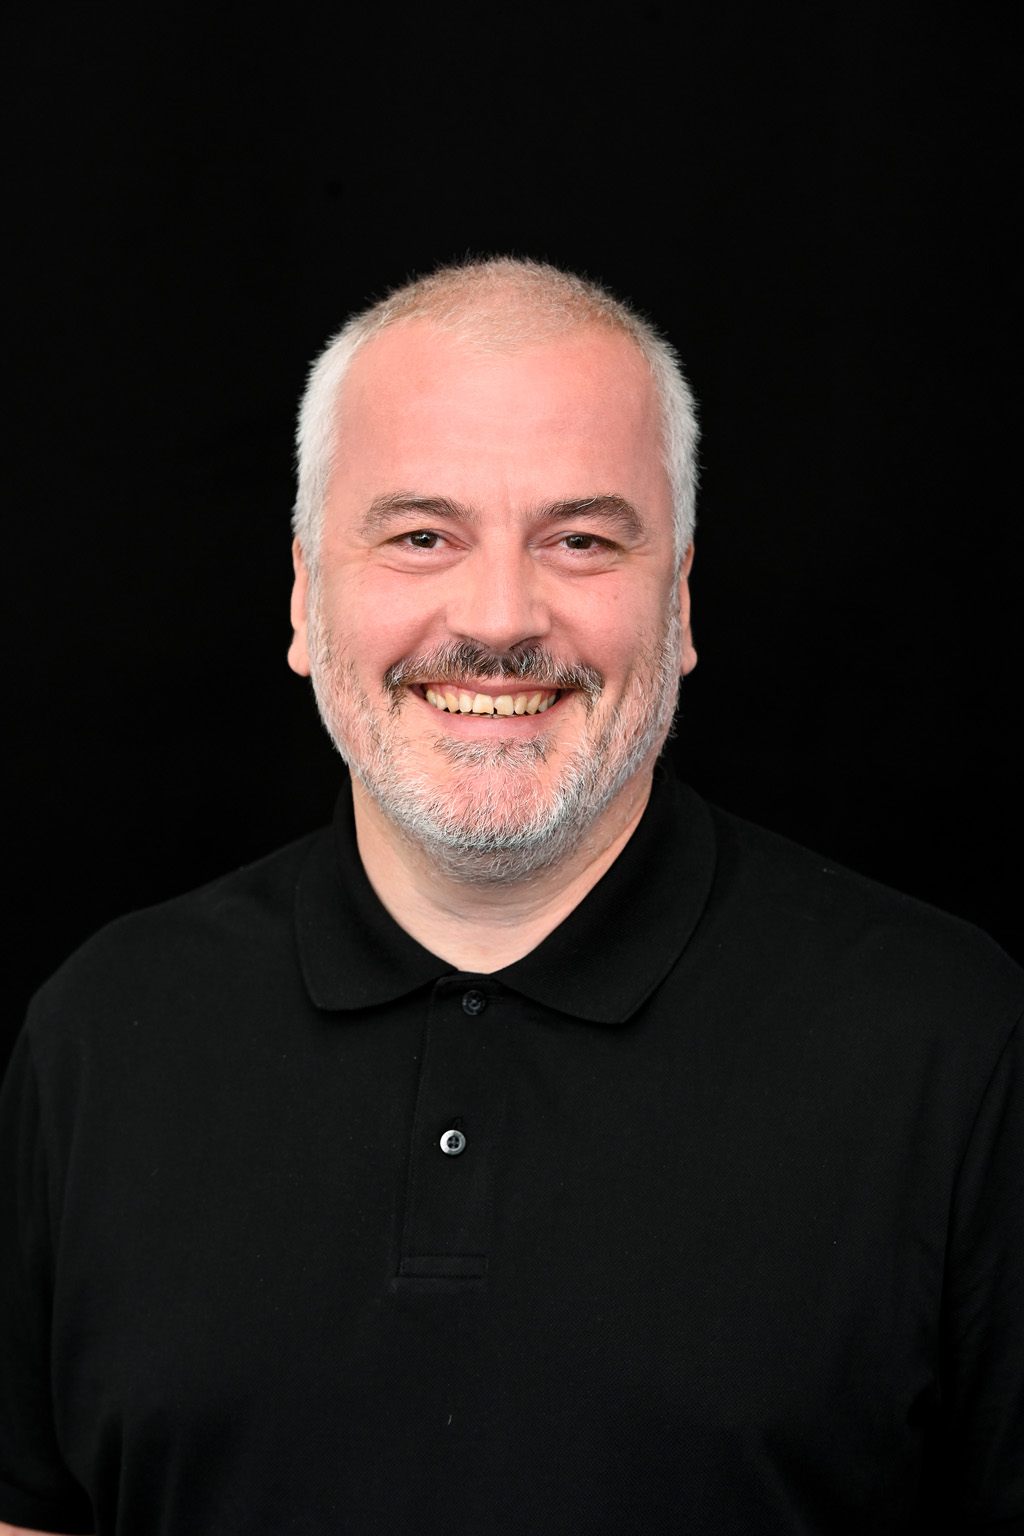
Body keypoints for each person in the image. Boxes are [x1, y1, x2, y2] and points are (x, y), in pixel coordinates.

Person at [1, 257, 1020, 1536]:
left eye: (580, 540)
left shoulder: (953, 1045)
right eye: (421, 536)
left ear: (679, 600)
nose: (496, 619)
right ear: (307, 594)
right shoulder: (102, 1033)